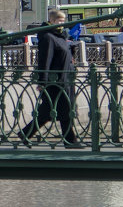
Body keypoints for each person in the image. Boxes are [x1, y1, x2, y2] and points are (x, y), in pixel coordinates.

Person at [19, 8, 81, 147]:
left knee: (51, 112)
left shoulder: (60, 36)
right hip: (55, 81)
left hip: (65, 80)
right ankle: (70, 141)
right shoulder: (48, 37)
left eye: (63, 21)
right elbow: (45, 60)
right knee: (63, 110)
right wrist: (43, 81)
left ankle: (26, 133)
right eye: (59, 21)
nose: (61, 24)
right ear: (51, 21)